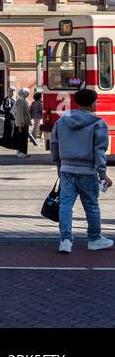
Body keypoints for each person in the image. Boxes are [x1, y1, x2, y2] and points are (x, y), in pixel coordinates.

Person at [52, 88, 113, 253]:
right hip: (87, 171)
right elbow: (99, 151)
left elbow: (54, 145)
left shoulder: (62, 120)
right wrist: (103, 174)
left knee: (65, 206)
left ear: (77, 102)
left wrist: (59, 166)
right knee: (91, 206)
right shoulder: (98, 123)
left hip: (66, 169)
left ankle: (65, 240)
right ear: (93, 103)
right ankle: (94, 238)